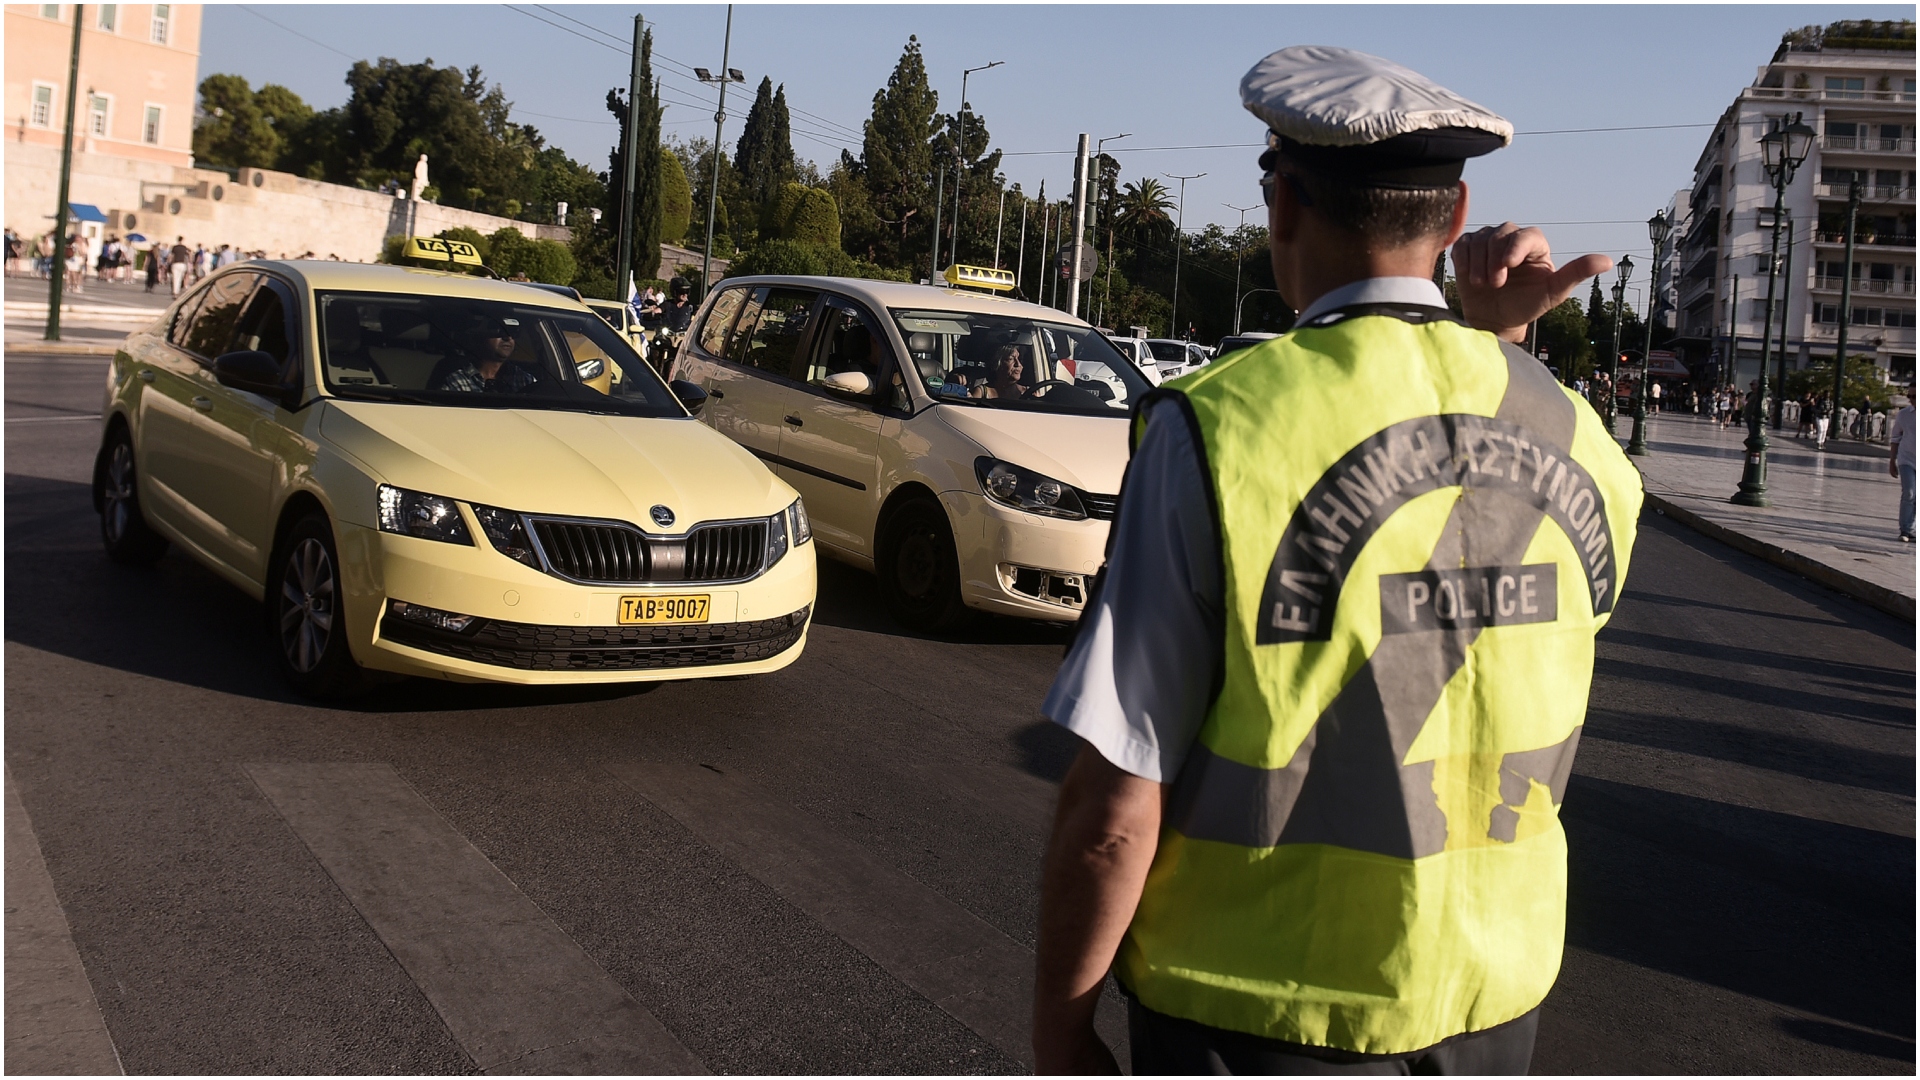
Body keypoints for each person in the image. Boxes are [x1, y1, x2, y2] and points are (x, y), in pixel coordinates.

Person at [1031, 45, 1642, 1076]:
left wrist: (1059, 1034)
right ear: (1453, 221)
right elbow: (1475, 604)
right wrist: (1495, 350)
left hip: (1260, 1019)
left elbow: (1114, 808)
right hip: (1488, 1012)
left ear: (1282, 207)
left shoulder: (1215, 431)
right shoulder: (1576, 434)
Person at [433, 319, 540, 393]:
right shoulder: (457, 381)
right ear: (479, 338)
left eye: (513, 332)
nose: (507, 338)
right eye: (499, 331)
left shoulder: (525, 380)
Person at [1890, 395, 1914, 543]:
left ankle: (1912, 528)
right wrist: (1892, 460)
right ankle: (1905, 529)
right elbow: (1895, 437)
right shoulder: (1904, 414)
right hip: (1906, 460)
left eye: (1915, 396)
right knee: (1910, 492)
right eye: (1909, 396)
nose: (1911, 399)